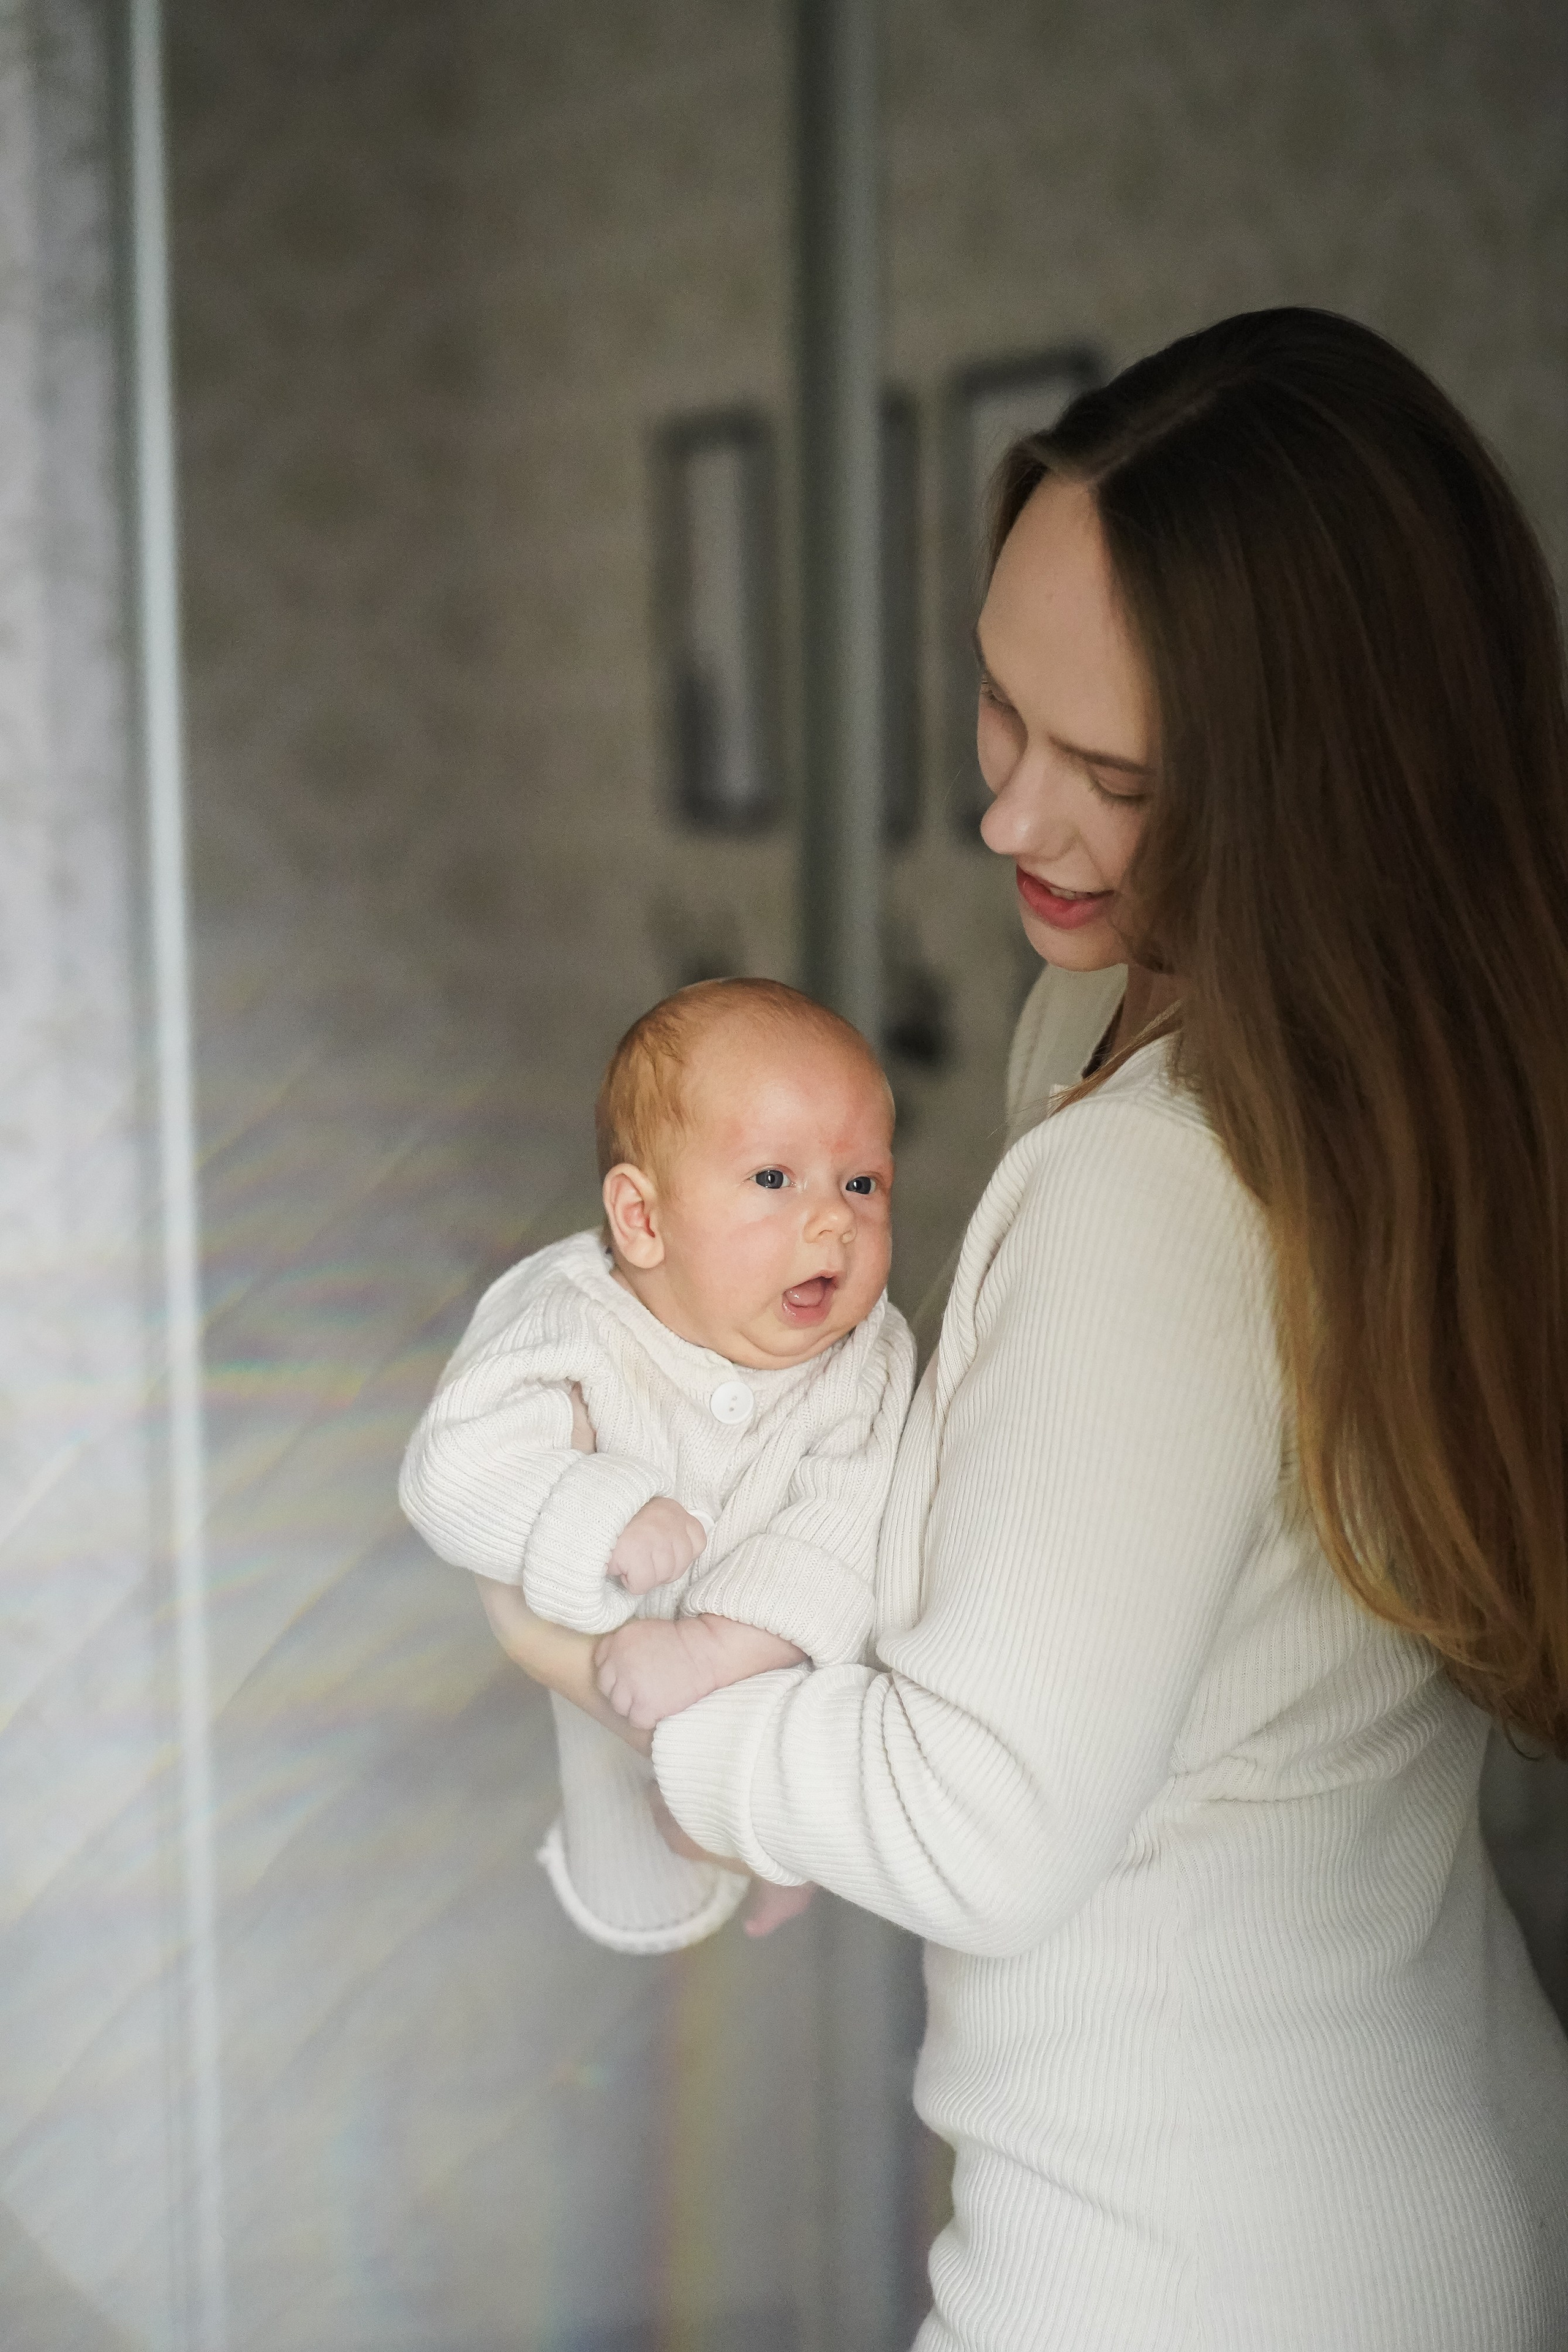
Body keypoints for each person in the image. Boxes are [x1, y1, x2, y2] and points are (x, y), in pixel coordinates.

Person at [481, 309, 1568, 2347]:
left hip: (1179, 2265)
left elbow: (978, 1821)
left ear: (1317, 786)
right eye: (1001, 708)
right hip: (1434, 2160)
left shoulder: (1157, 1178)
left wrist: (659, 1699)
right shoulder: (1404, 1082)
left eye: (1117, 776)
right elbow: (1134, 1593)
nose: (1010, 823)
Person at [400, 977, 914, 1952]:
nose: (834, 1222)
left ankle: (772, 1858)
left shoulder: (868, 1359)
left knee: (784, 1839)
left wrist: (718, 1648)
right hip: (592, 1688)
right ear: (642, 1220)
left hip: (774, 1684)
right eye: (774, 1179)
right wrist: (600, 1509)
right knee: (627, 1888)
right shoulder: (568, 1316)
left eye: (863, 1183)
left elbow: (845, 1530)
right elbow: (451, 1473)